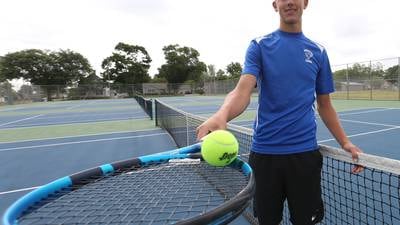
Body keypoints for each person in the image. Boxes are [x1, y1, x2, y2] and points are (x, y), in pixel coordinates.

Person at [196, 0, 364, 224]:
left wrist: (345, 142)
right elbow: (242, 90)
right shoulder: (259, 45)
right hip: (265, 157)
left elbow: (325, 104)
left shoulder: (319, 52)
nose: (290, 2)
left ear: (305, 3)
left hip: (304, 157)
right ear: (275, 4)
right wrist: (222, 114)